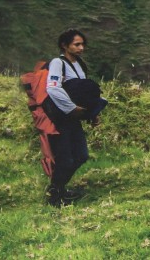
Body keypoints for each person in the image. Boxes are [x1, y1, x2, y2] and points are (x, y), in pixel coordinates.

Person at [43, 29, 99, 207]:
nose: (81, 48)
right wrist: (72, 108)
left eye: (82, 44)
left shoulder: (80, 65)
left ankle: (59, 187)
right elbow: (53, 88)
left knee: (81, 155)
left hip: (75, 116)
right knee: (65, 157)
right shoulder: (58, 63)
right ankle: (55, 193)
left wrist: (92, 113)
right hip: (61, 117)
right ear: (64, 45)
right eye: (77, 44)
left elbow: (83, 92)